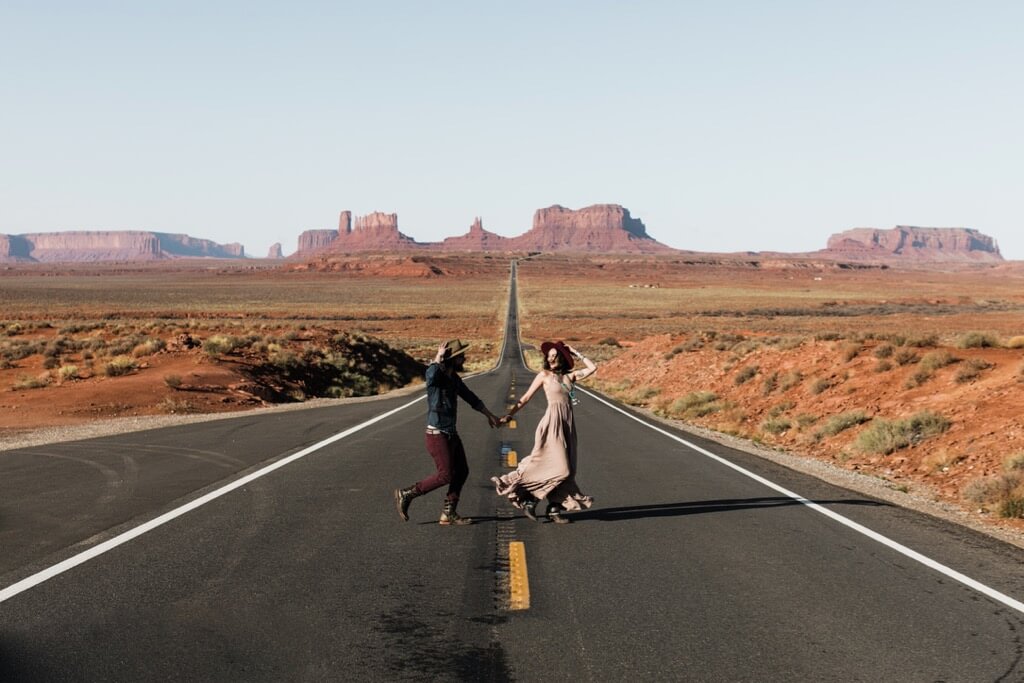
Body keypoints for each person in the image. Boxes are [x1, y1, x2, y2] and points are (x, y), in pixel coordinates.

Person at [394, 339, 500, 525]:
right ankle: (407, 493)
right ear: (453, 358)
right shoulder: (437, 376)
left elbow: (471, 398)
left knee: (462, 471)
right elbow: (429, 376)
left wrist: (489, 415)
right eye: (461, 357)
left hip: (451, 433)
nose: (465, 359)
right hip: (437, 434)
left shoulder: (454, 379)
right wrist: (437, 358)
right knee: (445, 475)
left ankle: (448, 513)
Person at [491, 341, 596, 523]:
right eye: (549, 355)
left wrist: (575, 351)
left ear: (562, 358)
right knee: (559, 468)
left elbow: (593, 367)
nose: (552, 357)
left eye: (555, 355)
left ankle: (554, 509)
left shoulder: (570, 377)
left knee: (568, 470)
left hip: (567, 425)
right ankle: (530, 500)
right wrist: (508, 415)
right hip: (551, 425)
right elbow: (525, 398)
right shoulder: (544, 376)